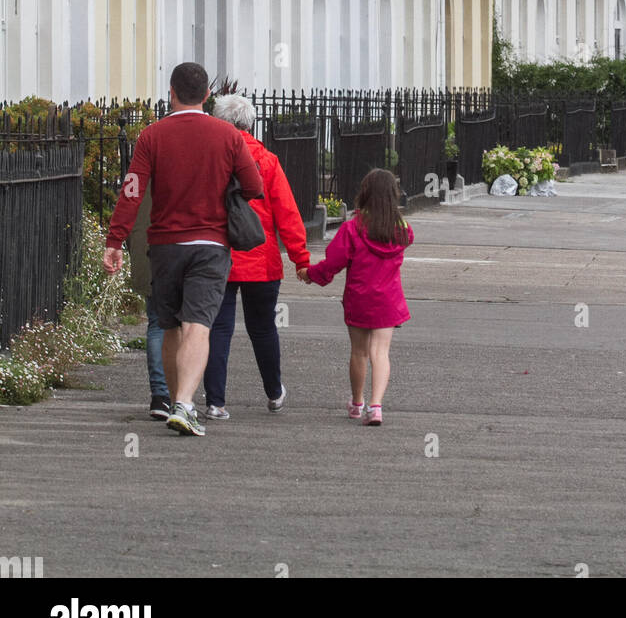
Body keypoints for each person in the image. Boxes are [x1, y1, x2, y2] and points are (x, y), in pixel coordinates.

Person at [103, 62, 262, 437]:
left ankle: (176, 400)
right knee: (198, 325)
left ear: (170, 92)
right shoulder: (229, 136)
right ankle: (185, 404)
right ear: (207, 96)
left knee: (170, 324)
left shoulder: (151, 136)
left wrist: (115, 241)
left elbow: (132, 191)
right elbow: (253, 186)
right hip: (210, 243)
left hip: (165, 245)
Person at [202, 94, 311, 420]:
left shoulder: (210, 161)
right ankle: (274, 392)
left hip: (218, 255)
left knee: (218, 329)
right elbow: (287, 213)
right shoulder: (267, 160)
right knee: (263, 328)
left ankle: (215, 402)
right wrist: (300, 258)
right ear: (250, 124)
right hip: (260, 258)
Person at [300, 169, 413, 426]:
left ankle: (356, 402)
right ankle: (376, 407)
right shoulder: (402, 230)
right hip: (388, 299)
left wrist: (311, 274)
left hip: (360, 298)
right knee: (381, 353)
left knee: (359, 353)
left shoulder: (353, 228)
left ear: (365, 193)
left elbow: (334, 263)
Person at [127, 183, 171, 421]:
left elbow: (128, 203)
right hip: (178, 249)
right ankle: (179, 394)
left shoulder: (143, 164)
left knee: (156, 324)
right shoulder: (184, 160)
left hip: (147, 246)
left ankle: (160, 395)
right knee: (189, 325)